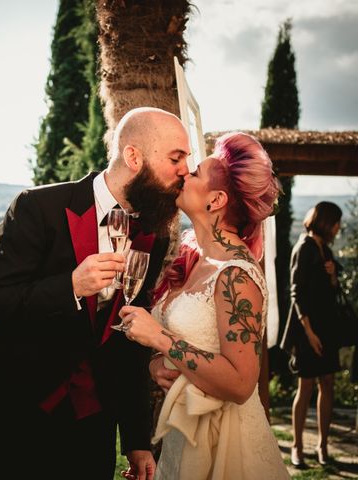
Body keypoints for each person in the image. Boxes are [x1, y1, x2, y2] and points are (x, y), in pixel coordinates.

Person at [0, 107, 191, 480]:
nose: (185, 169)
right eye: (176, 157)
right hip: (16, 415)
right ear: (134, 156)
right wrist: (70, 286)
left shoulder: (153, 235)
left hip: (92, 424)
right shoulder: (39, 208)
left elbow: (129, 338)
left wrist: (137, 439)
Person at [117, 132, 290, 479]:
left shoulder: (236, 275)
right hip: (184, 432)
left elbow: (242, 383)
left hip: (225, 444)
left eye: (195, 173)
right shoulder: (192, 258)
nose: (184, 174)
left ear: (216, 200)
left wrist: (160, 340)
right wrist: (156, 364)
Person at [280, 201, 343, 467]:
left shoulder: (325, 248)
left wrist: (332, 277)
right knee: (305, 386)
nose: (339, 227)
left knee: (327, 383)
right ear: (326, 221)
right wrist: (309, 332)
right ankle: (297, 447)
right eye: (336, 221)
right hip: (307, 328)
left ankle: (323, 445)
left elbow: (333, 291)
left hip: (327, 327)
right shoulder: (304, 248)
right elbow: (296, 294)